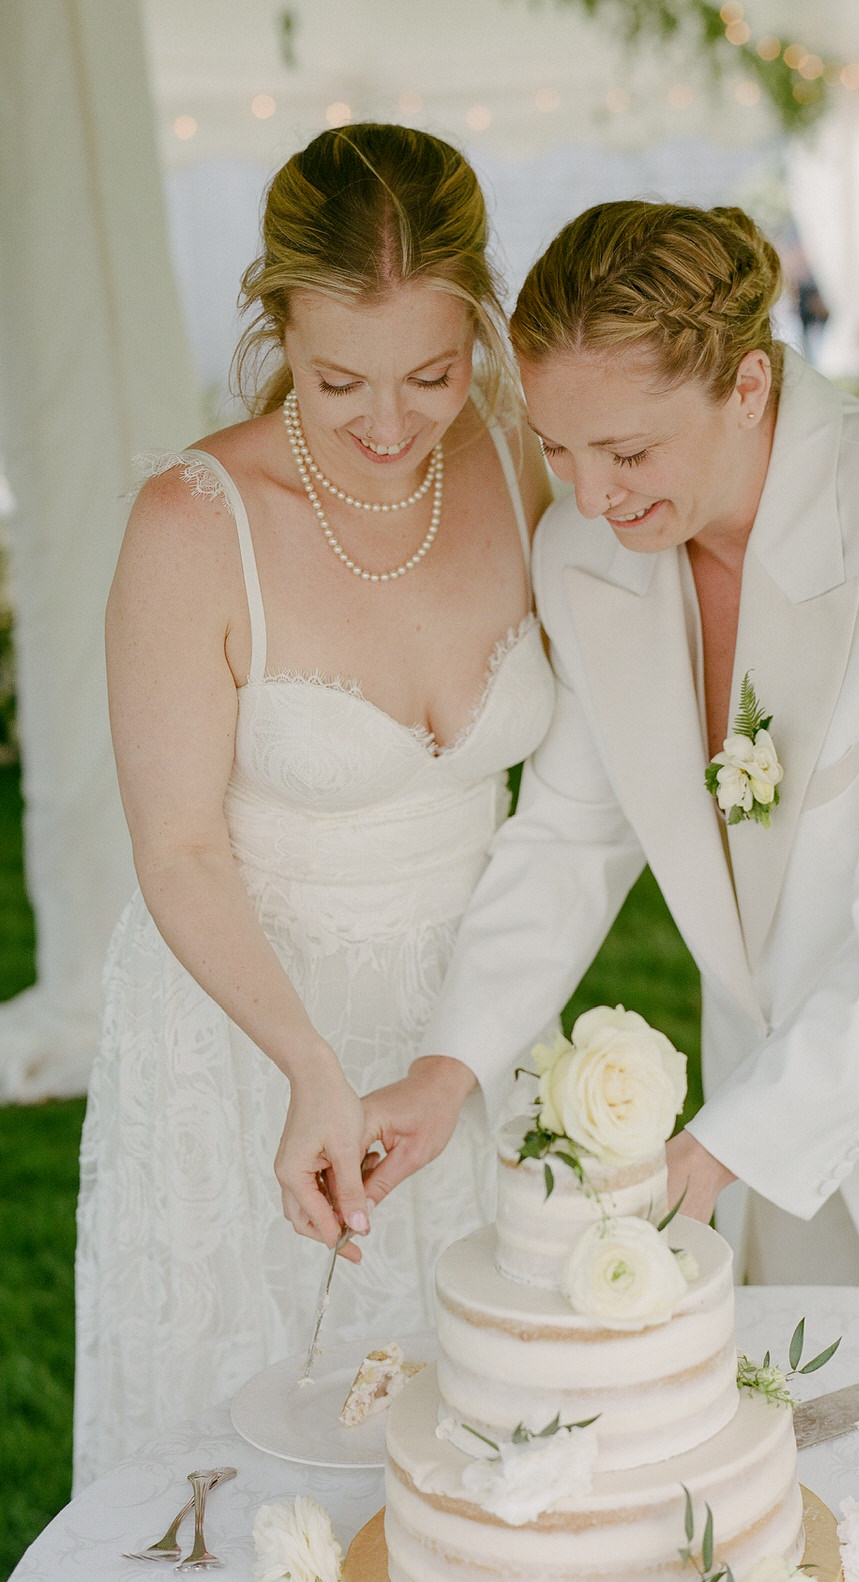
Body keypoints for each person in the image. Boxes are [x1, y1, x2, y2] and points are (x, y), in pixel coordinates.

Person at [341, 200, 859, 1338]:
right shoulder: (585, 553)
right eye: (558, 448)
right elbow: (567, 835)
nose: (591, 496)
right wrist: (446, 1069)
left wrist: (722, 1149)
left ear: (749, 386)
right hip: (786, 1192)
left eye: (629, 450)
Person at [72, 124, 553, 1486]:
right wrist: (310, 1066)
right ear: (274, 315)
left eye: (435, 372)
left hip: (481, 1014)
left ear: (480, 326)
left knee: (501, 1450)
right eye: (341, 379)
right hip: (253, 1028)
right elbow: (176, 844)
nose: (395, 424)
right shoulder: (190, 521)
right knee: (255, 1465)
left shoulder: (519, 468)